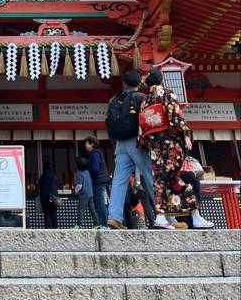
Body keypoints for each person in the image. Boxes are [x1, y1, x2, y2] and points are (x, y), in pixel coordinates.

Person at [141, 68, 198, 228]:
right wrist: (185, 135)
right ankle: (195, 216)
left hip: (154, 144)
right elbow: (175, 115)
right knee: (175, 179)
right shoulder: (166, 93)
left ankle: (161, 217)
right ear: (161, 80)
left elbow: (143, 124)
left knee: (161, 180)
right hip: (169, 142)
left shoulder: (145, 100)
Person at [106, 69, 154, 230]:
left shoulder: (113, 99)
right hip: (136, 143)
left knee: (119, 180)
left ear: (124, 83)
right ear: (139, 83)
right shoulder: (140, 97)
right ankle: (166, 216)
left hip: (120, 144)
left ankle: (114, 216)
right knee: (151, 177)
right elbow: (148, 121)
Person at [84, 136, 110, 227]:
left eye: (87, 143)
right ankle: (103, 224)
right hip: (100, 181)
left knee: (100, 203)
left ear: (91, 144)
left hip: (99, 182)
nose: (85, 145)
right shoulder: (95, 153)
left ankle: (104, 224)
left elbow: (95, 168)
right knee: (100, 203)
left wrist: (86, 171)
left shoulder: (94, 154)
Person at [75, 156, 99, 228]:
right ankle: (96, 224)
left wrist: (76, 191)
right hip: (90, 193)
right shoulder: (87, 171)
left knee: (81, 210)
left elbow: (79, 185)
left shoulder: (79, 173)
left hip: (83, 194)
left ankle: (79, 225)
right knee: (92, 210)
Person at [38, 160, 60, 229]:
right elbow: (57, 185)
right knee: (54, 214)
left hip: (44, 199)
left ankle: (48, 229)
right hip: (53, 198)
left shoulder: (42, 177)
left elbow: (39, 187)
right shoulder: (54, 176)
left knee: (47, 215)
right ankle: (55, 229)